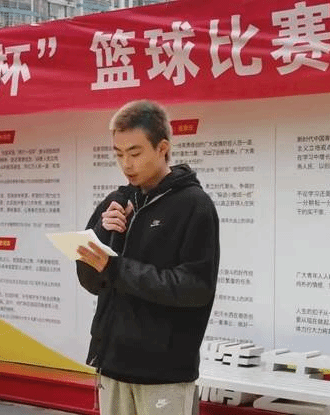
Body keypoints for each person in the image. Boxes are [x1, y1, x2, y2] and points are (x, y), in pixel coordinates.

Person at [76, 100, 220, 415]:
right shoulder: (116, 201)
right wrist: (102, 233)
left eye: (135, 153)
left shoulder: (194, 205)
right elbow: (90, 281)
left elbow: (194, 287)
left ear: (162, 148)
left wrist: (116, 268)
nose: (126, 164)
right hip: (112, 364)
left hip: (164, 372)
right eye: (118, 154)